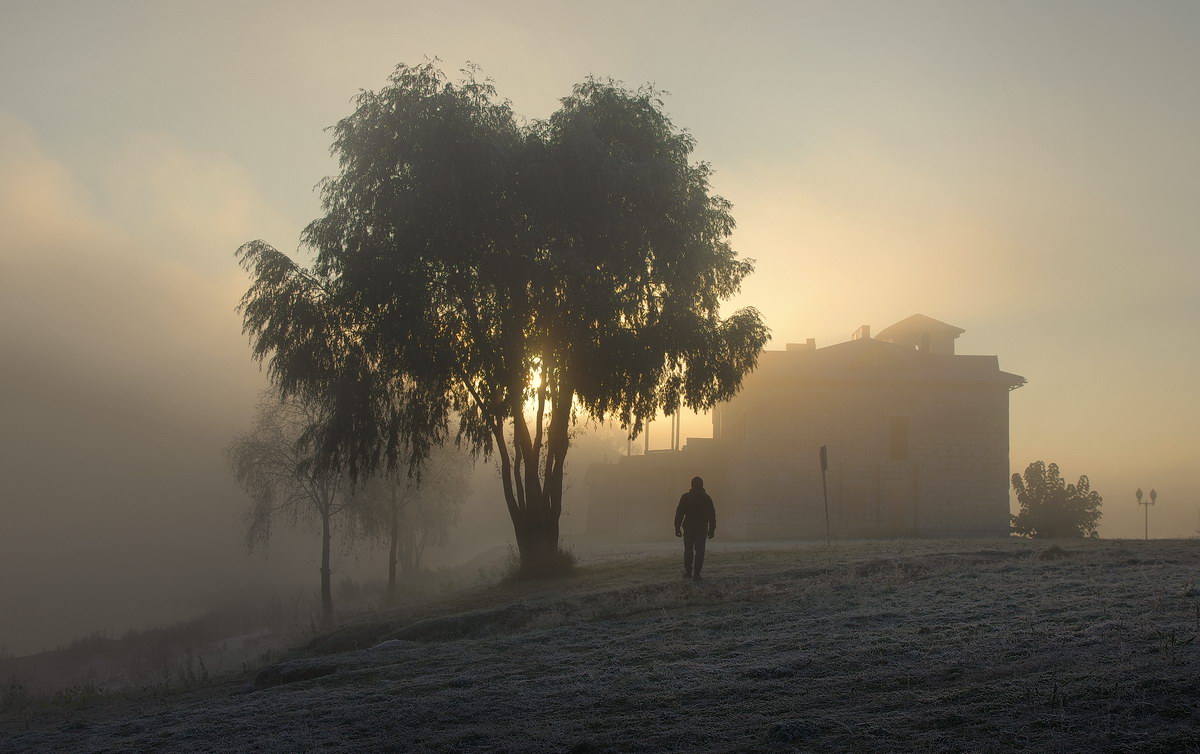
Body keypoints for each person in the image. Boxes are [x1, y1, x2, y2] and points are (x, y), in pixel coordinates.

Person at [674, 476, 716, 581]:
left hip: (689, 528)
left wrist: (677, 527)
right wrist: (712, 529)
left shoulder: (686, 497)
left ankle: (688, 572)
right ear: (702, 485)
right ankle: (697, 573)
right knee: (700, 551)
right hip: (701, 528)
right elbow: (712, 516)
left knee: (688, 551)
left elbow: (679, 514)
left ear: (691, 485)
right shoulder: (707, 498)